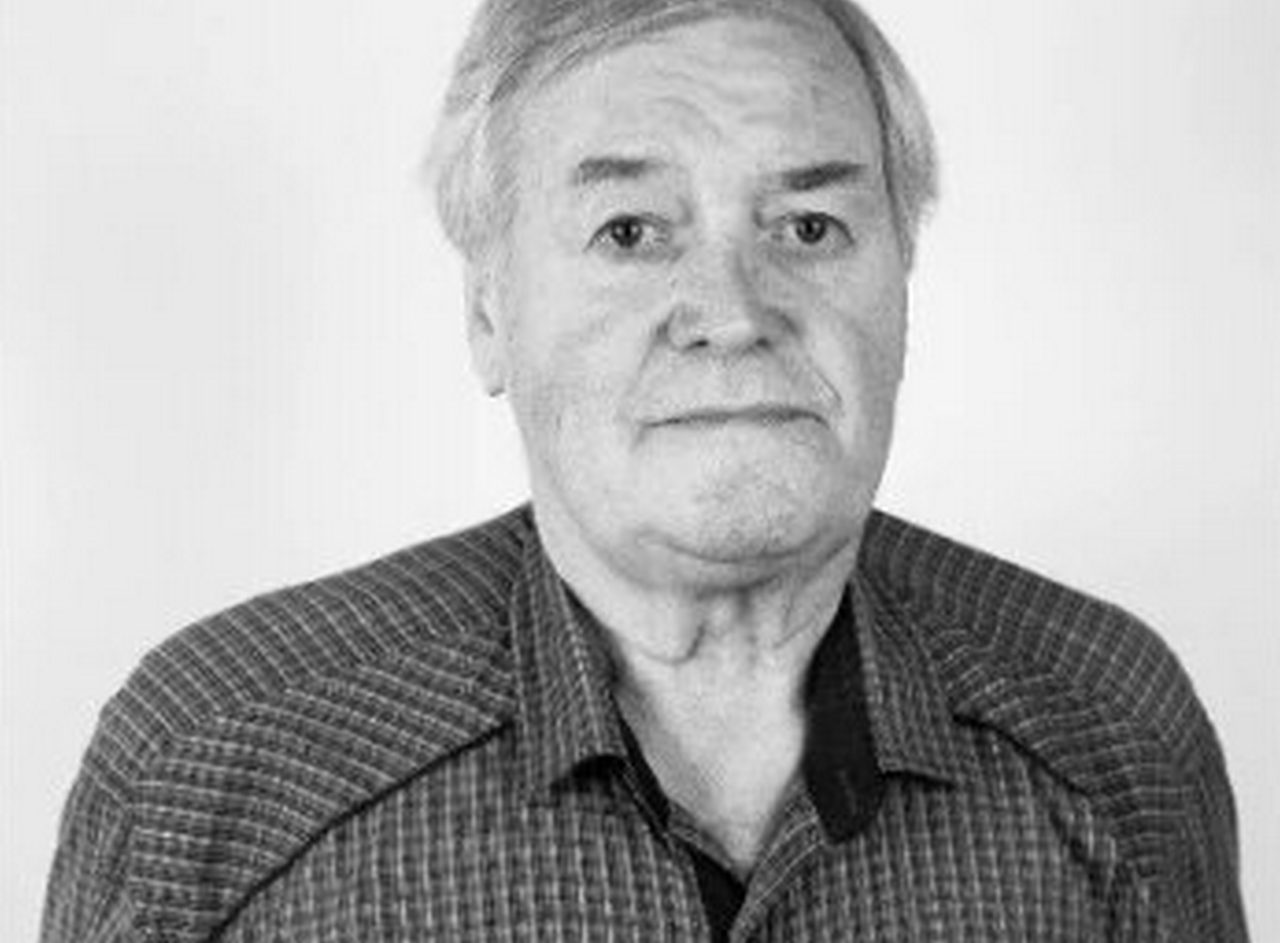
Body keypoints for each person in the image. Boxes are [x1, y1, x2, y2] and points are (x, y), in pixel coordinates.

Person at [40, 0, 1248, 940]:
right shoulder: (215, 771)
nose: (732, 312)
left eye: (809, 227)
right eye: (630, 233)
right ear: (487, 312)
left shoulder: (1111, 730)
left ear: (901, 282)